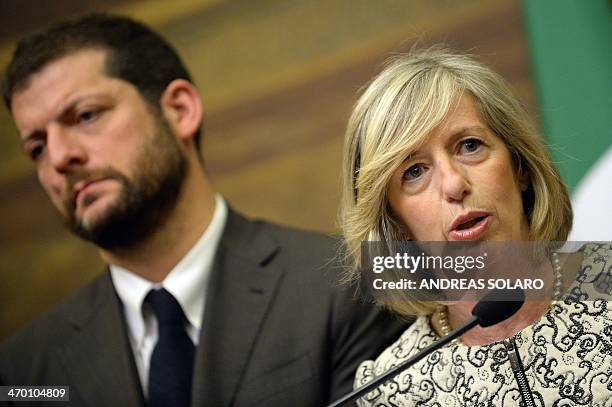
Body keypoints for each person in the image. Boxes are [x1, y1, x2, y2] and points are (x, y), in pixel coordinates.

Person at [0, 14, 408, 407]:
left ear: (180, 110)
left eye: (86, 115)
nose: (58, 158)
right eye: (36, 147)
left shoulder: (347, 288)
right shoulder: (22, 373)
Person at [339, 48, 611, 406]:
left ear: (521, 167)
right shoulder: (393, 391)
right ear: (395, 223)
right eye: (415, 171)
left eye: (469, 146)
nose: (453, 185)